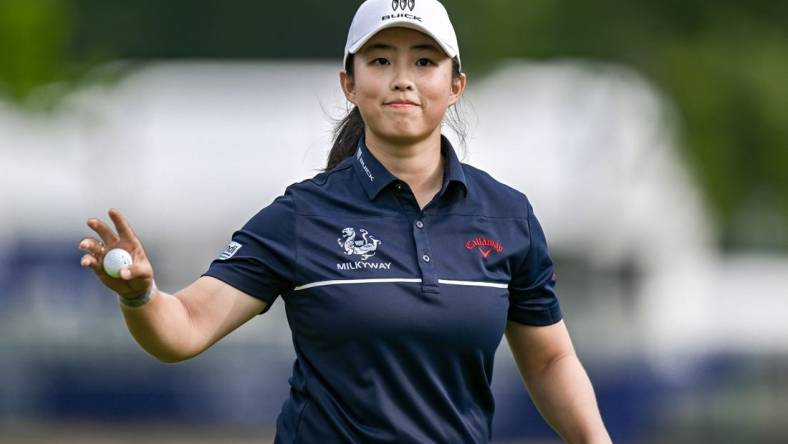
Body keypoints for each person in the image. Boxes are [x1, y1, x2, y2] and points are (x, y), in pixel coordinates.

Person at [78, 0, 612, 442]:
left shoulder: (507, 216)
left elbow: (549, 360)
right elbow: (184, 329)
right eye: (380, 61)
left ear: (455, 85)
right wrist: (140, 296)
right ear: (349, 84)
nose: (403, 80)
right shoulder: (302, 216)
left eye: (424, 62)